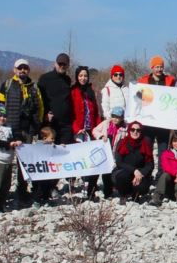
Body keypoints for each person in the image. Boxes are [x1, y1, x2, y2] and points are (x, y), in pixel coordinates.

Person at [0, 61, 42, 206]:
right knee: (6, 161)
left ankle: (22, 190)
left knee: (24, 162)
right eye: (19, 68)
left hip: (27, 129)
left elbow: (40, 107)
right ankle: (1, 192)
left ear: (28, 70)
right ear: (14, 69)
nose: (22, 70)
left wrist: (37, 124)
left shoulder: (34, 87)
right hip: (10, 128)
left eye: (25, 68)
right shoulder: (7, 85)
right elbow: (0, 104)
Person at [71, 66, 104, 199]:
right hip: (78, 131)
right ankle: (71, 185)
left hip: (90, 130)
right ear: (77, 77)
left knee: (89, 160)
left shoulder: (91, 91)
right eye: (80, 76)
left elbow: (95, 112)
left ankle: (87, 186)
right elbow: (70, 112)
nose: (83, 78)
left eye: (85, 76)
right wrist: (75, 128)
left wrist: (97, 129)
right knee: (76, 159)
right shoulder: (73, 91)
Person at [111, 121, 154, 202]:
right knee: (122, 177)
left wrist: (141, 173)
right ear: (129, 131)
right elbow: (119, 162)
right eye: (132, 129)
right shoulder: (122, 142)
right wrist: (134, 170)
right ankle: (123, 195)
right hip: (124, 171)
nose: (135, 132)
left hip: (140, 172)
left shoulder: (146, 143)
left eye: (138, 130)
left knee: (143, 186)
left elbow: (150, 164)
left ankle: (135, 194)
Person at [38, 53, 75, 144]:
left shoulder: (67, 80)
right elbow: (39, 100)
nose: (62, 66)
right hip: (50, 123)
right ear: (55, 64)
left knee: (64, 152)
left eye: (64, 64)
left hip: (65, 124)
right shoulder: (45, 78)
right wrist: (44, 115)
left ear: (68, 66)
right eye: (60, 64)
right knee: (48, 154)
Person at [92, 106, 126, 199]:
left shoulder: (124, 128)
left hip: (116, 153)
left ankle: (112, 189)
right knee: (105, 173)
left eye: (118, 117)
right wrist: (101, 136)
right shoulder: (106, 123)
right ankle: (107, 193)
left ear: (122, 118)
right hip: (104, 152)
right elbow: (95, 130)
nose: (115, 118)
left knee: (112, 173)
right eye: (113, 116)